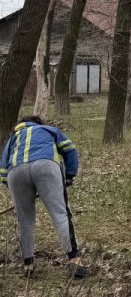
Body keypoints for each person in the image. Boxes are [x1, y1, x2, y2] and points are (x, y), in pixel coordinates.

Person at [1, 115, 89, 278]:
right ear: (38, 123)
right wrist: (70, 174)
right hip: (45, 166)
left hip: (16, 173)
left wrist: (17, 191)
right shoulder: (48, 130)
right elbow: (69, 148)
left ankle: (28, 265)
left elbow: (3, 169)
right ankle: (75, 261)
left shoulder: (13, 138)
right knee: (60, 214)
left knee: (24, 220)